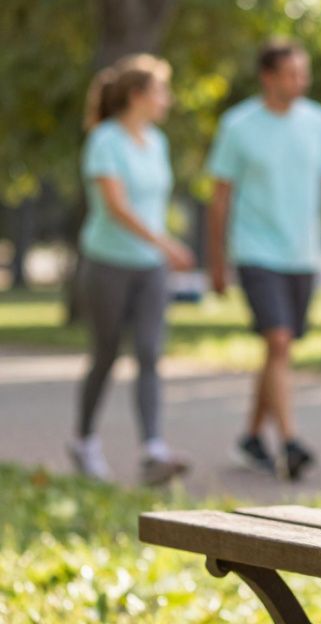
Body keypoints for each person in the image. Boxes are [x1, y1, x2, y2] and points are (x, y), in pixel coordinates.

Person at [206, 39, 321, 481]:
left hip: (303, 253)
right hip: (256, 250)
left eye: (303, 73)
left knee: (279, 347)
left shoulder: (319, 122)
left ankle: (251, 437)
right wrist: (216, 260)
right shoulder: (238, 126)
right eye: (291, 74)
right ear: (267, 77)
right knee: (278, 341)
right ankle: (290, 442)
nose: (300, 82)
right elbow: (220, 198)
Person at [70, 54, 194, 485]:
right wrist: (166, 243)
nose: (167, 100)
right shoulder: (105, 140)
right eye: (161, 91)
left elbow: (153, 203)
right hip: (107, 262)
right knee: (106, 353)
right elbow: (117, 206)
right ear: (137, 95)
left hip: (150, 267)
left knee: (148, 351)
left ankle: (153, 450)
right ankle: (84, 440)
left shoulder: (157, 141)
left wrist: (160, 249)